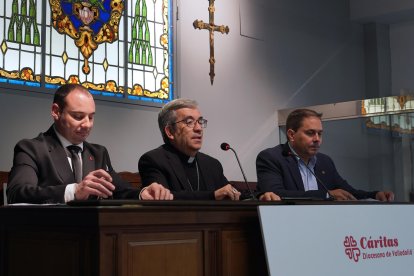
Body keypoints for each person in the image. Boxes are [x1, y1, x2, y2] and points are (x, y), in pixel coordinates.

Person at [7, 84, 173, 204]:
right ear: (56, 112)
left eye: (91, 117)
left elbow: (120, 190)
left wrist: (143, 193)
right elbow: (18, 193)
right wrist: (74, 191)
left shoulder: (99, 153)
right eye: (78, 116)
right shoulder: (31, 149)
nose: (87, 124)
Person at [256, 108, 394, 201]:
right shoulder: (271, 157)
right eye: (310, 133)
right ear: (291, 135)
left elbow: (348, 192)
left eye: (320, 133)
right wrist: (326, 195)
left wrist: (375, 194)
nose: (317, 139)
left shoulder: (324, 161)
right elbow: (275, 194)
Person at [138, 99, 254, 200]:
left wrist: (260, 196)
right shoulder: (153, 160)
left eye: (200, 122)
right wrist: (212, 196)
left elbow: (231, 193)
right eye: (189, 122)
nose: (199, 128)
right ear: (170, 132)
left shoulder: (212, 164)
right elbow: (163, 198)